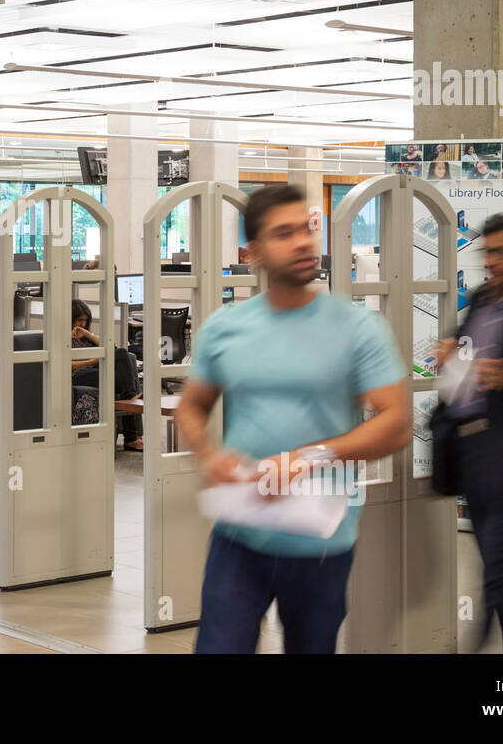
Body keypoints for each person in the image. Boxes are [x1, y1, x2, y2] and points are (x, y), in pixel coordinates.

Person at [174, 183, 410, 654]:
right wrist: (210, 455)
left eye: (306, 228)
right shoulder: (227, 327)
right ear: (254, 252)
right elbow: (191, 406)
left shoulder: (357, 327)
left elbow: (397, 421)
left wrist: (312, 455)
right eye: (285, 233)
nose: (303, 241)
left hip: (319, 541)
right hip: (240, 535)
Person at [432, 213, 503, 654]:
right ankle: (489, 636)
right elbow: (462, 346)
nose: (492, 262)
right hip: (469, 446)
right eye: (487, 253)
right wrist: (448, 350)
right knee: (497, 558)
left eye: (501, 252)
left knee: (499, 560)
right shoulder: (480, 299)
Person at [70, 298, 143, 450]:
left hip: (94, 372)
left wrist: (88, 334)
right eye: (79, 320)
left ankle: (130, 397)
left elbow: (113, 348)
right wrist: (92, 361)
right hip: (77, 375)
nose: (82, 323)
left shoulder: (85, 336)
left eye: (85, 320)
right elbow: (65, 365)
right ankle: (132, 436)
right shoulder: (61, 337)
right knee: (129, 381)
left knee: (123, 353)